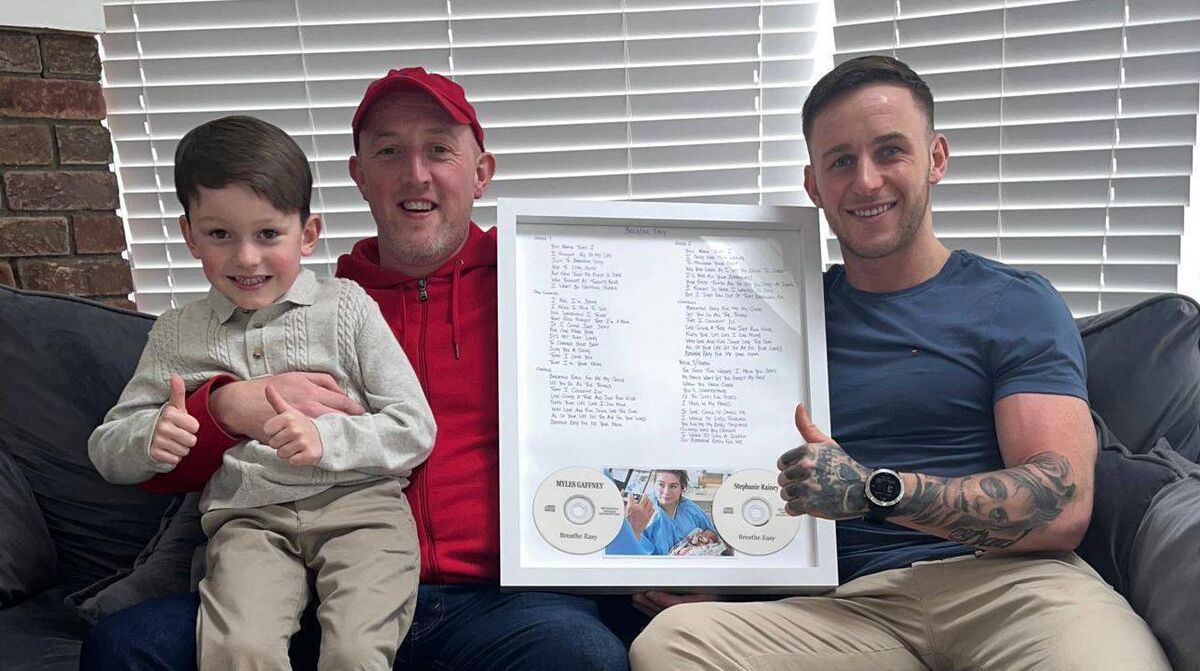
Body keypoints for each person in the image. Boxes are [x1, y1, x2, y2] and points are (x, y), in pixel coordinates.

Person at [628, 55, 1170, 670]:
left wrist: (872, 492)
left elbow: (1061, 505)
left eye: (890, 152)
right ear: (813, 185)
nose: (865, 181)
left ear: (935, 158)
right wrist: (725, 568)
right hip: (843, 609)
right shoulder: (774, 312)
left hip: (1014, 590)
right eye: (841, 161)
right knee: (671, 645)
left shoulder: (1014, 302)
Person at [80, 68, 631, 671]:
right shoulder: (319, 303)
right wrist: (225, 406)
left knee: (582, 655)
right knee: (125, 646)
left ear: (480, 173)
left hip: (494, 599)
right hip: (307, 585)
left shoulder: (551, 288)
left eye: (439, 150)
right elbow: (150, 464)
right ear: (359, 175)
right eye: (389, 151)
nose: (415, 173)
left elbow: (638, 417)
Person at [86, 116, 436, 670]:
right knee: (237, 649)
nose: (246, 259)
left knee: (354, 649)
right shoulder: (177, 333)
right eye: (220, 234)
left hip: (362, 509)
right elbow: (108, 447)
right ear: (189, 235)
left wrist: (325, 439)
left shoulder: (346, 308)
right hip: (249, 520)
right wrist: (150, 437)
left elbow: (414, 428)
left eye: (268, 234)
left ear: (309, 232)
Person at [620, 470, 719, 555]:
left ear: (682, 488)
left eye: (673, 486)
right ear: (654, 485)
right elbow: (635, 551)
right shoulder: (643, 512)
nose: (666, 492)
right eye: (661, 485)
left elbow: (715, 539)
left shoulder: (693, 511)